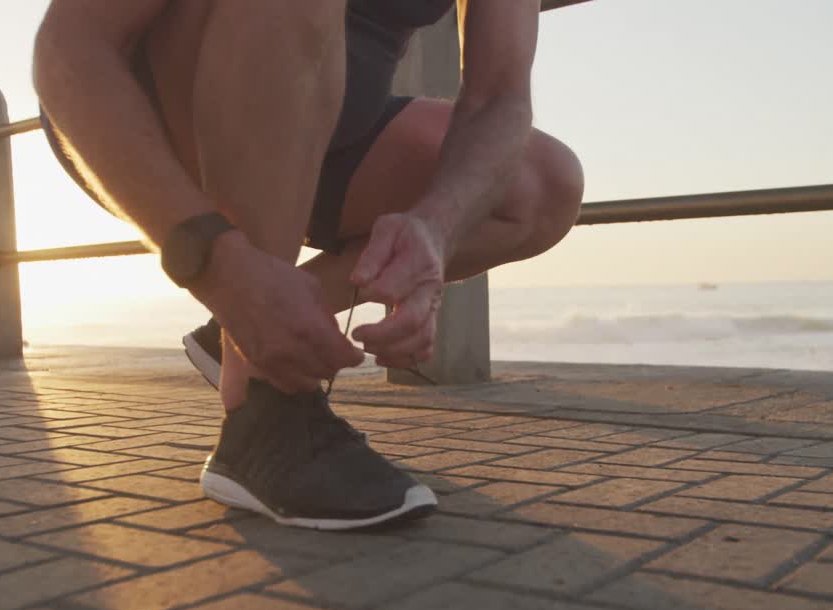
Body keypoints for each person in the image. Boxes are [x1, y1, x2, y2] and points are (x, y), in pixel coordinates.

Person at [32, 0, 584, 530]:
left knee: (543, 185)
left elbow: (499, 100)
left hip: (334, 120)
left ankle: (246, 331)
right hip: (152, 109)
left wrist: (437, 227)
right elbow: (73, 45)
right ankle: (265, 406)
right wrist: (217, 270)